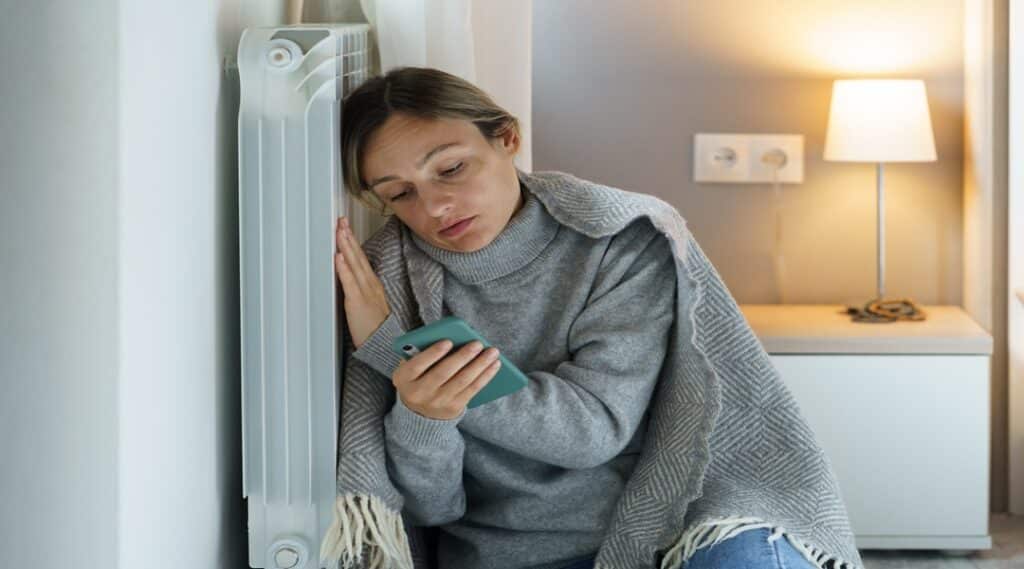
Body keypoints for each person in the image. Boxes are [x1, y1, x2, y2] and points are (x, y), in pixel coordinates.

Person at [332, 66, 816, 569]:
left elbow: (592, 429)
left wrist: (397, 354)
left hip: (669, 523)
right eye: (400, 194)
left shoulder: (618, 238)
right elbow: (431, 507)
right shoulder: (386, 279)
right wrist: (424, 410)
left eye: (451, 169)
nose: (435, 207)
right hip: (507, 551)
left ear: (507, 138)